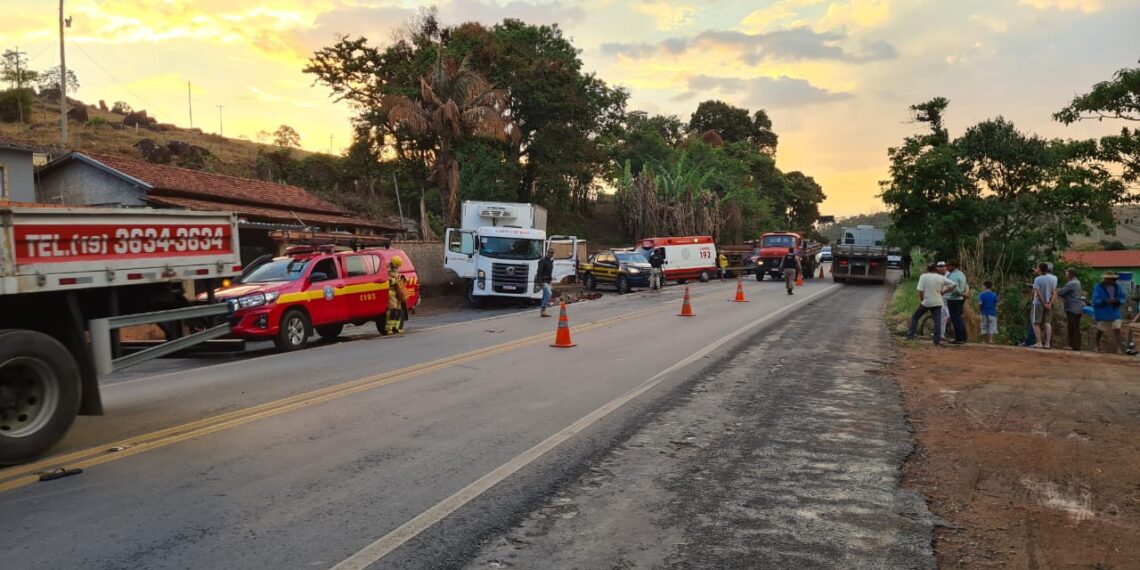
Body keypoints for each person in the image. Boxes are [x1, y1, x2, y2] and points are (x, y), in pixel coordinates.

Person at [907, 263, 958, 345]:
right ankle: (936, 340)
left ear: (927, 269)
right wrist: (944, 292)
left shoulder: (923, 276)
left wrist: (922, 300)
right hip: (938, 302)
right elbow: (954, 284)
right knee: (938, 321)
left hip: (927, 301)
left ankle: (910, 336)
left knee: (915, 317)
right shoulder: (941, 277)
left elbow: (920, 290)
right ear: (936, 269)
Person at [1091, 271, 1126, 353]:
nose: (1112, 281)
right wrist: (1105, 301)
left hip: (1114, 310)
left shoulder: (1118, 287)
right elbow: (1095, 299)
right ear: (1105, 279)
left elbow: (1122, 297)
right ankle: (1097, 345)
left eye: (1113, 279)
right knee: (1100, 329)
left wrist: (1117, 301)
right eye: (1110, 279)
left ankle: (1118, 348)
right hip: (1103, 311)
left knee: (1117, 328)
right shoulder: (1098, 287)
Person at [1031, 262, 1058, 349]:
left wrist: (1043, 303)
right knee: (1047, 323)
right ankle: (1047, 343)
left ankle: (1039, 342)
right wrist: (1049, 303)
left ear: (1040, 269)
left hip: (1038, 303)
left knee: (1036, 322)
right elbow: (1054, 292)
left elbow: (1038, 293)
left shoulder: (1037, 279)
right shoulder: (1054, 278)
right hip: (1049, 302)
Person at [1056, 268, 1085, 351]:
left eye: (1066, 273)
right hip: (1077, 307)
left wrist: (1057, 290)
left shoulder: (1071, 283)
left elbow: (1061, 292)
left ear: (1070, 274)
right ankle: (1075, 345)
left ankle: (1073, 345)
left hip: (1073, 308)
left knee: (1072, 327)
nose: (1065, 274)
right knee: (1075, 326)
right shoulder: (1077, 282)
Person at [945, 259, 969, 344]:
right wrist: (966, 292)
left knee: (955, 318)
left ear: (953, 266)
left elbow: (955, 288)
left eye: (948, 266)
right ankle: (963, 337)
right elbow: (966, 284)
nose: (946, 267)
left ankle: (959, 338)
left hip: (954, 299)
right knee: (959, 317)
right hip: (961, 299)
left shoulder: (953, 276)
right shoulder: (961, 274)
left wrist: (962, 294)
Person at [385, 256, 407, 335]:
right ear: (394, 264)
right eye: (397, 265)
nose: (397, 267)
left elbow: (397, 280)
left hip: (397, 293)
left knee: (398, 311)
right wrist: (395, 280)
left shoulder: (396, 271)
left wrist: (403, 280)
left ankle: (396, 327)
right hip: (391, 293)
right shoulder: (387, 271)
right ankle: (389, 328)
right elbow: (387, 281)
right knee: (392, 311)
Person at [537, 248, 555, 317]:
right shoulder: (542, 261)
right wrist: (539, 282)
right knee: (549, 293)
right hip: (543, 280)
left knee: (545, 295)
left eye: (552, 252)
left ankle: (543, 312)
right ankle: (543, 309)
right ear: (547, 253)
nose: (551, 254)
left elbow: (550, 272)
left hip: (547, 281)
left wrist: (550, 280)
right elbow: (539, 272)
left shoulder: (550, 261)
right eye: (550, 252)